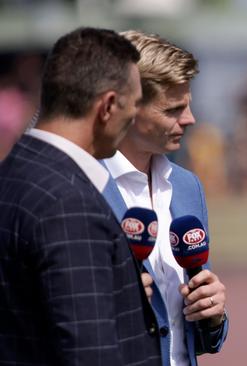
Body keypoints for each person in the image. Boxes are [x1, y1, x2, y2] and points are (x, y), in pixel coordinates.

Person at [0, 27, 161, 365]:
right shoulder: (67, 203)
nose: (133, 119)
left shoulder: (15, 172)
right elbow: (91, 352)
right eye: (134, 106)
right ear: (108, 106)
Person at [100, 30, 228, 366]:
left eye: (188, 105)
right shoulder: (79, 185)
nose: (190, 119)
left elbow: (185, 337)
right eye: (173, 109)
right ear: (124, 108)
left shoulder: (186, 186)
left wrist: (211, 315)